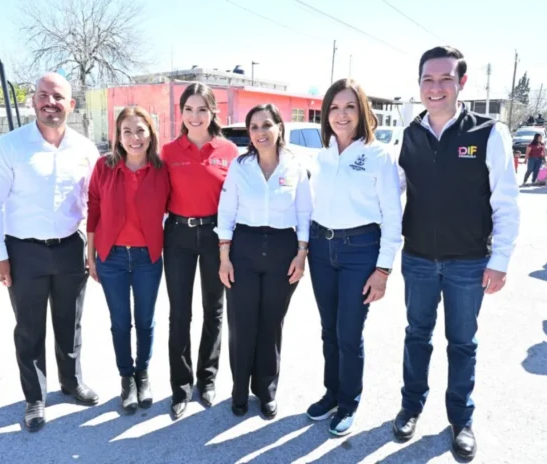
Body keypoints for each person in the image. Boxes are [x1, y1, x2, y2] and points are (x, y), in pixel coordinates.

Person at [394, 46, 519, 461]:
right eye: (428, 79)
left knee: (462, 343)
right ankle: (411, 407)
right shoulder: (410, 134)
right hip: (418, 259)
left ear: (461, 83)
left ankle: (461, 420)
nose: (436, 87)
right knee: (417, 336)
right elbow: (391, 192)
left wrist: (500, 260)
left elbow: (506, 201)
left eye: (445, 78)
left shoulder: (488, 132)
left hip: (468, 262)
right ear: (419, 84)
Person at [0, 73, 101, 432]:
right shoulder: (8, 146)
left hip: (70, 248)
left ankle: (72, 382)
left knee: (69, 322)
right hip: (23, 251)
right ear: (33, 101)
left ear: (71, 105)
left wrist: (93, 250)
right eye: (43, 95)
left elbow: (94, 203)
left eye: (58, 96)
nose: (51, 102)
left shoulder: (85, 149)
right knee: (30, 328)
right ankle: (35, 397)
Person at [306, 78, 402, 436]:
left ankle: (349, 401)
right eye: (334, 107)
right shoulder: (322, 155)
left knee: (348, 332)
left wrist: (383, 269)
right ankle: (331, 392)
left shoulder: (378, 156)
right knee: (328, 329)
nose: (341, 114)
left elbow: (392, 216)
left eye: (349, 107)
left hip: (360, 251)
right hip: (321, 248)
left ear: (361, 111)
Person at [215, 104, 312, 419]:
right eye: (254, 127)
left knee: (271, 324)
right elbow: (226, 211)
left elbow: (304, 213)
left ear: (279, 127)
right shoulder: (240, 166)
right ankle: (239, 391)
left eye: (266, 125)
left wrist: (301, 254)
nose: (260, 133)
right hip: (244, 248)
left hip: (283, 249)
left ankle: (266, 390)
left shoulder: (295, 167)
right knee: (242, 324)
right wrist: (224, 257)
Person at [160, 83, 239, 419]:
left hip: (214, 237)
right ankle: (180, 386)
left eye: (202, 109)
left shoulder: (229, 151)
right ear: (181, 113)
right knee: (179, 313)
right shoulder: (168, 152)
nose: (195, 116)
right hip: (177, 235)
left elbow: (237, 200)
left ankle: (207, 379)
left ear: (213, 112)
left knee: (214, 310)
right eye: (189, 110)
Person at [87, 106, 170, 414]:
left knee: (145, 321)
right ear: (118, 137)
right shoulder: (104, 166)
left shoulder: (162, 169)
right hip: (112, 259)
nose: (135, 138)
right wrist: (91, 255)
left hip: (148, 258)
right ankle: (126, 378)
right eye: (127, 132)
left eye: (140, 130)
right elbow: (93, 209)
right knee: (120, 322)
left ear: (150, 134)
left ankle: (142, 374)